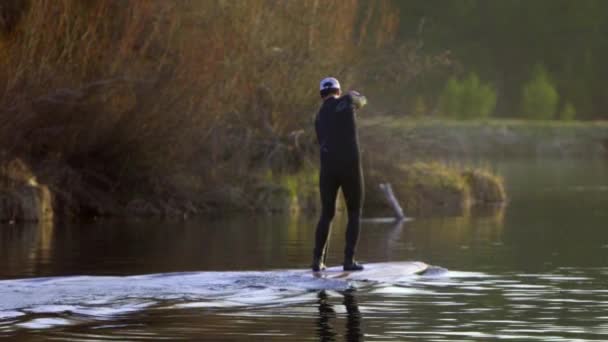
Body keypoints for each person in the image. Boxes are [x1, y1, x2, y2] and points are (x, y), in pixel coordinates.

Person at [312, 77, 367, 272]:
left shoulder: (318, 117)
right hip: (350, 166)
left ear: (321, 95)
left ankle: (317, 262)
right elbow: (363, 101)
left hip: (327, 169)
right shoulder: (347, 100)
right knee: (354, 212)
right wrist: (352, 96)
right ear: (338, 90)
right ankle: (348, 261)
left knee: (326, 214)